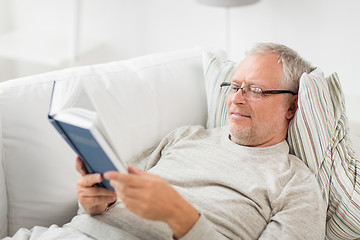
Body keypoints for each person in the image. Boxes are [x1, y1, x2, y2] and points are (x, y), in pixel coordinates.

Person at [4, 43, 326, 240]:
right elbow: (116, 189)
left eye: (255, 90)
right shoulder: (187, 136)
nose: (236, 100)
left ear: (292, 106)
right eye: (233, 86)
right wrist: (94, 201)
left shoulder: (296, 185)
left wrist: (181, 216)